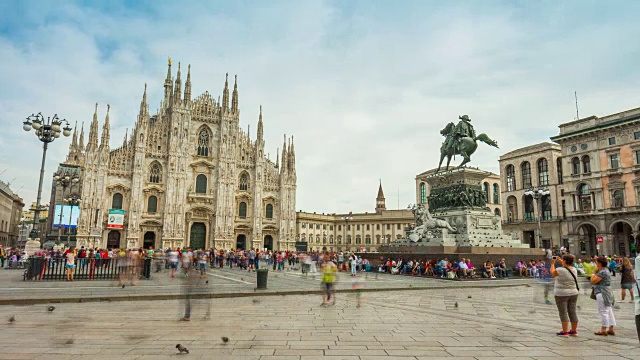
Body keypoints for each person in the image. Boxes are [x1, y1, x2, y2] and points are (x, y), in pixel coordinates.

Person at [550, 255, 579, 337]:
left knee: (563, 312)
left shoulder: (560, 270)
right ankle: (573, 331)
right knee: (572, 311)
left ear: (565, 261)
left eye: (563, 260)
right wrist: (562, 262)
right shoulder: (574, 269)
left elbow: (553, 273)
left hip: (561, 293)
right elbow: (566, 267)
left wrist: (552, 264)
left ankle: (565, 331)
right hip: (574, 293)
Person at [592, 256, 616, 336]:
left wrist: (593, 273)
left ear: (599, 263)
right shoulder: (606, 270)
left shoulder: (602, 272)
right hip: (607, 292)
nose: (596, 263)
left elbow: (593, 280)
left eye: (596, 262)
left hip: (602, 292)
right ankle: (611, 328)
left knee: (603, 311)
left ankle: (603, 329)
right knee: (609, 310)